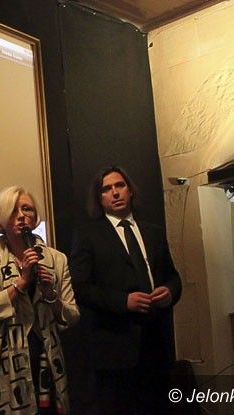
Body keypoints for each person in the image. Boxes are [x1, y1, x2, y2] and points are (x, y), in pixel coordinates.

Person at [70, 166, 182, 415]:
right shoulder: (88, 235)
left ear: (130, 191)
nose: (115, 193)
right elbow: (80, 287)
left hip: (156, 345)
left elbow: (173, 277)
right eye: (106, 189)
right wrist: (123, 301)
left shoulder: (153, 232)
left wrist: (169, 292)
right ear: (99, 198)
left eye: (119, 185)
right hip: (115, 350)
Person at [0, 186, 80, 414]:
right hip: (3, 358)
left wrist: (50, 294)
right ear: (1, 219)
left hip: (46, 354)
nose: (21, 216)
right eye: (13, 211)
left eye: (27, 209)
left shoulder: (57, 259)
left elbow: (72, 316)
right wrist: (21, 283)